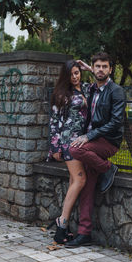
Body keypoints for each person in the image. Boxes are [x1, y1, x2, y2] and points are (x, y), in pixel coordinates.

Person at [65, 52, 126, 248]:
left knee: (74, 149)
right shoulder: (91, 89)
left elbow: (116, 122)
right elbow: (93, 80)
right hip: (94, 142)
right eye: (97, 66)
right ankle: (84, 233)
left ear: (111, 69)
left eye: (104, 66)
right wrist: (90, 70)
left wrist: (89, 136)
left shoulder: (116, 91)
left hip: (108, 141)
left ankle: (107, 168)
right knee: (87, 187)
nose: (100, 69)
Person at [47, 59, 91, 244]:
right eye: (71, 74)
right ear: (66, 75)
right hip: (68, 141)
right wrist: (54, 146)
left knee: (75, 180)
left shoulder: (88, 89)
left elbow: (104, 81)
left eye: (77, 73)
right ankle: (62, 224)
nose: (75, 77)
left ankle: (62, 226)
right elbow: (54, 121)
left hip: (83, 140)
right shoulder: (61, 94)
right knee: (80, 179)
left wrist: (88, 67)